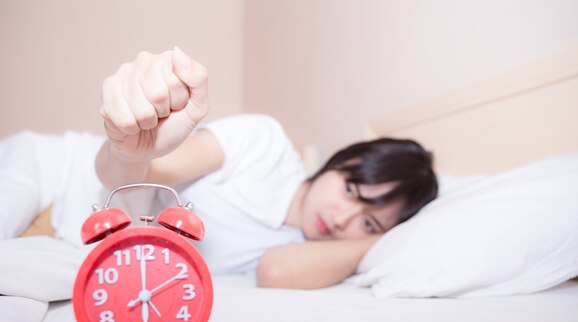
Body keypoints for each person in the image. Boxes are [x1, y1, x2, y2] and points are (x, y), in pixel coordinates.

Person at [95, 47, 438, 290]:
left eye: (368, 222)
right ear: (338, 162)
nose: (340, 218)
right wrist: (127, 151)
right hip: (79, 184)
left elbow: (276, 273)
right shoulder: (265, 143)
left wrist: (384, 240)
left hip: (113, 250)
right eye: (350, 190)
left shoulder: (313, 251)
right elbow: (140, 175)